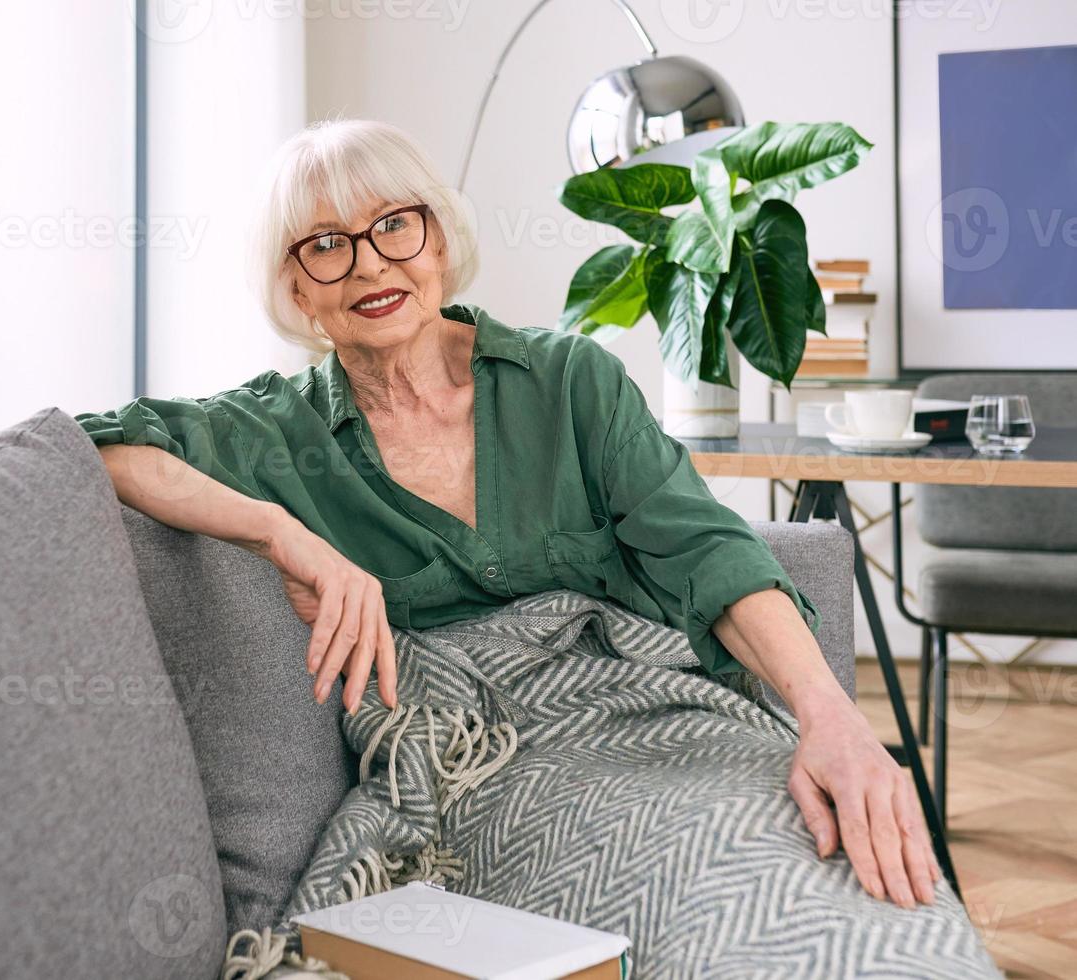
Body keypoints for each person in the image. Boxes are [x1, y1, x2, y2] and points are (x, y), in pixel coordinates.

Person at [74, 118, 941, 912]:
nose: (370, 264)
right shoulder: (272, 431)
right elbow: (91, 446)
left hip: (668, 723)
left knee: (838, 881)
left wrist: (833, 722)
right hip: (489, 773)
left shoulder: (571, 382)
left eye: (393, 226)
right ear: (297, 290)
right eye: (326, 246)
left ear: (439, 241)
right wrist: (278, 530)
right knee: (711, 890)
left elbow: (709, 552)